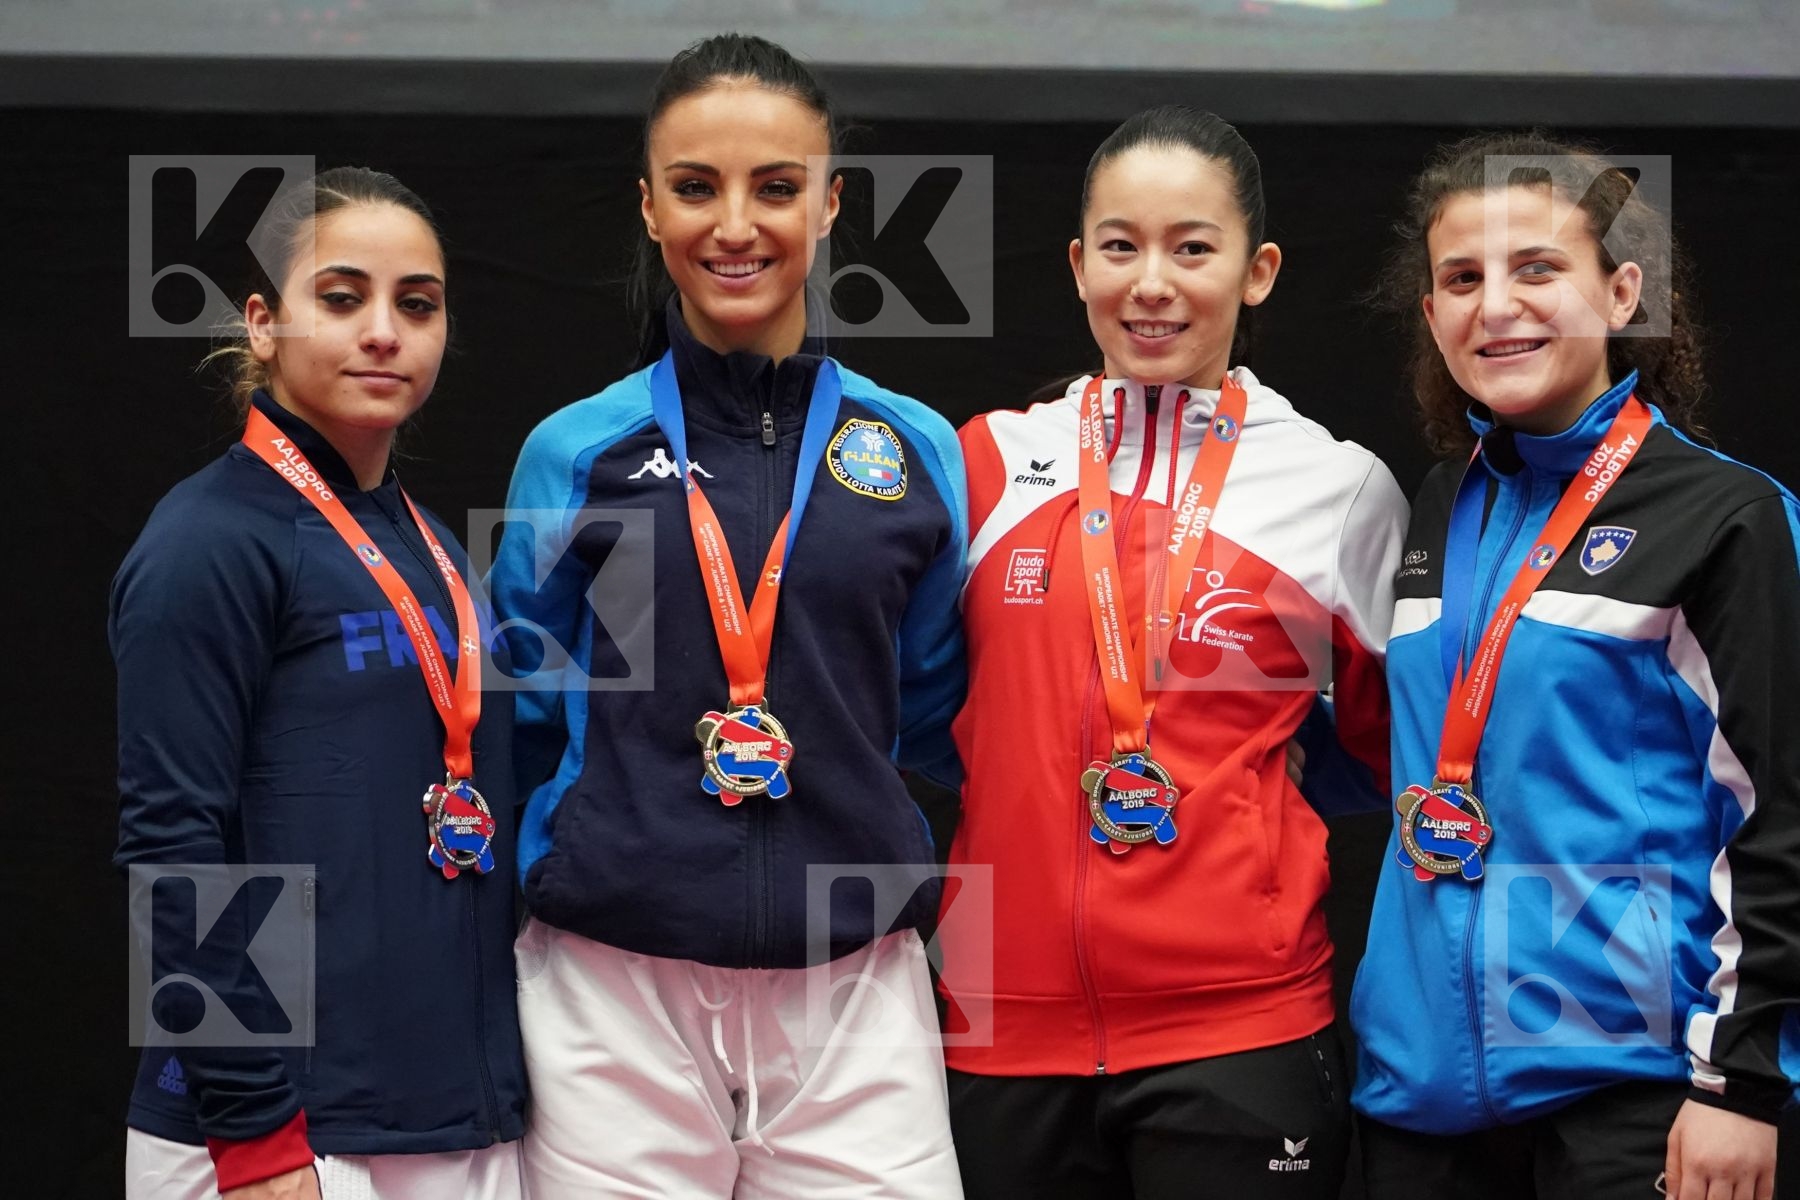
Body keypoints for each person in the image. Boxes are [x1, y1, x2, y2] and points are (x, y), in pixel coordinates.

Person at [487, 33, 967, 1199]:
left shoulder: (917, 451)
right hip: (612, 989)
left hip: (855, 997)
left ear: (831, 204)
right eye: (696, 187)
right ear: (650, 207)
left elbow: (929, 704)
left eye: (777, 187)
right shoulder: (575, 451)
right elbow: (517, 713)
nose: (736, 225)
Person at [938, 105, 1408, 1199]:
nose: (1152, 283)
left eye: (1193, 248)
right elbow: (921, 705)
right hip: (1001, 1025)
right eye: (1121, 247)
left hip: (1241, 1033)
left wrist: (1255, 808)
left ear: (1258, 271)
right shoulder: (986, 461)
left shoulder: (1339, 489)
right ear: (1078, 266)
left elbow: (1400, 747)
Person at [1350, 131, 1799, 1200]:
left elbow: (1780, 815)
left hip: (1638, 1099)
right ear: (1432, 315)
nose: (1496, 305)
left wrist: (1740, 1083)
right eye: (1463, 279)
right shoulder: (1433, 509)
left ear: (1622, 291)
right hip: (1418, 1106)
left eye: (1537, 268)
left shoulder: (1725, 516)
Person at [112, 167, 527, 1200]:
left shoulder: (435, 549)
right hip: (277, 1139)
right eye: (342, 298)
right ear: (262, 323)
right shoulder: (209, 541)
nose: (383, 332)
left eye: (417, 305)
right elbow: (173, 847)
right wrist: (256, 1137)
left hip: (449, 1121)